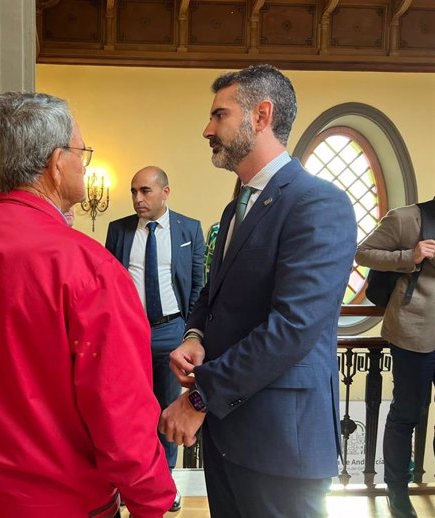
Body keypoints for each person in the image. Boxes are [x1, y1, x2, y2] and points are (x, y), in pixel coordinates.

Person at [0, 92, 175, 518]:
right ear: (57, 164)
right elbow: (120, 408)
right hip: (65, 500)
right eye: (81, 152)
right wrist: (151, 501)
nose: (83, 163)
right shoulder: (89, 267)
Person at [158, 64, 357, 518]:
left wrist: (200, 397)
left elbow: (293, 328)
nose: (207, 129)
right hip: (230, 436)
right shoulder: (236, 209)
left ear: (261, 115)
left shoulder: (317, 202)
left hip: (281, 443)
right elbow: (215, 294)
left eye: (220, 115)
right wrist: (195, 338)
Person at [105, 165, 204, 512]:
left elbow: (196, 287)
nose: (137, 198)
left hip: (170, 332)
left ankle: (165, 482)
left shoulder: (189, 229)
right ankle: (130, 482)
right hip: (128, 332)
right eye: (134, 191)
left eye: (145, 191)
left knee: (167, 410)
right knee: (129, 410)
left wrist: (189, 332)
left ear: (165, 192)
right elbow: (109, 284)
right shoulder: (118, 230)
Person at [355, 200, 435, 518]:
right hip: (413, 332)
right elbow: (362, 253)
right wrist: (411, 257)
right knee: (406, 415)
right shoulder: (407, 219)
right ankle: (398, 495)